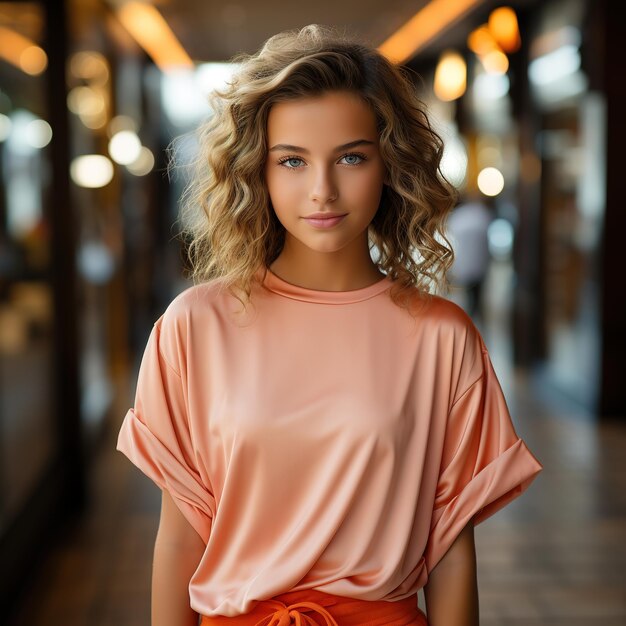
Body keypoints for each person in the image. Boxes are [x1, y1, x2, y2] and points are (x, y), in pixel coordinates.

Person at [116, 24, 542, 626]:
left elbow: (450, 556)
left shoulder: (443, 337)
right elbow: (180, 543)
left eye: (350, 157)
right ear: (256, 172)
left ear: (388, 164)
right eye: (291, 160)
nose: (322, 190)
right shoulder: (193, 327)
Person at [446, 196, 494, 321]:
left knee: (467, 297)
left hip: (463, 265)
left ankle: (469, 319)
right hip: (479, 265)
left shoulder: (457, 218)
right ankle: (474, 319)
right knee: (476, 297)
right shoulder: (482, 215)